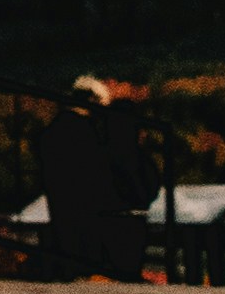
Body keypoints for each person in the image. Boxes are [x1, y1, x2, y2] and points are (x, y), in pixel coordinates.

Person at [32, 73, 157, 282]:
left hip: (63, 216)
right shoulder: (89, 136)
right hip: (94, 221)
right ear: (92, 101)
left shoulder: (50, 134)